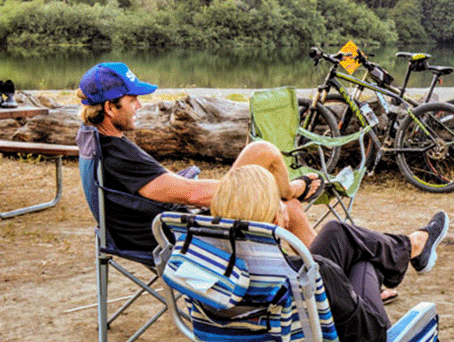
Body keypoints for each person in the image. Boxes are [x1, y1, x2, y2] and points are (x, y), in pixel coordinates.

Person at [205, 164, 446, 342]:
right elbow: (372, 337)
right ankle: (412, 247)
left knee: (335, 232)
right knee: (363, 263)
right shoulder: (312, 274)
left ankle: (412, 247)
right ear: (278, 220)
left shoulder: (211, 271)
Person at [77, 61, 322, 253]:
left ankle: (322, 276)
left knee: (269, 166)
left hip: (164, 224)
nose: (139, 106)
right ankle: (325, 281)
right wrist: (268, 196)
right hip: (177, 234)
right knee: (268, 161)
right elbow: (194, 194)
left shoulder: (96, 140)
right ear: (110, 108)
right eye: (133, 100)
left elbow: (170, 189)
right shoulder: (118, 155)